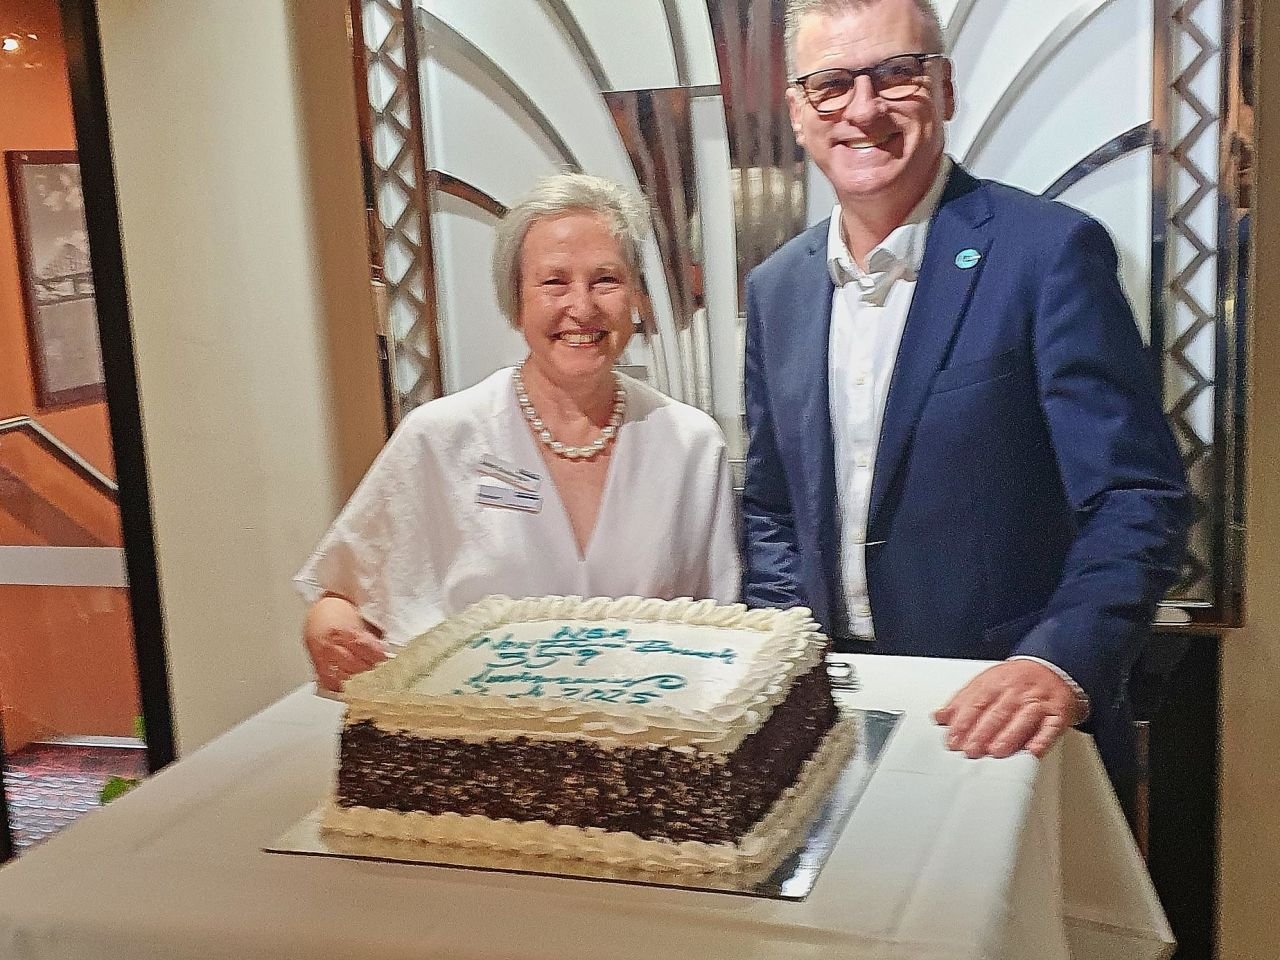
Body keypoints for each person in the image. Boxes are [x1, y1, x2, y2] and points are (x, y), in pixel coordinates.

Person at [741, 0, 1191, 800]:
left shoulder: (1048, 254)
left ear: (944, 90)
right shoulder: (776, 289)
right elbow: (772, 506)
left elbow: (1134, 494)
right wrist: (791, 652)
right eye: (831, 84)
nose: (864, 108)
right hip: (829, 728)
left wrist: (1058, 659)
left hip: (1006, 722)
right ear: (799, 114)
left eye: (897, 74)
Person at [297, 173, 740, 691]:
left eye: (606, 280)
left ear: (636, 298)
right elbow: (340, 598)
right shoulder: (441, 437)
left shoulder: (691, 445)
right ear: (516, 301)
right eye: (554, 282)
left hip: (645, 751)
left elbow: (723, 631)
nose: (583, 306)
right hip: (475, 749)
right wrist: (329, 632)